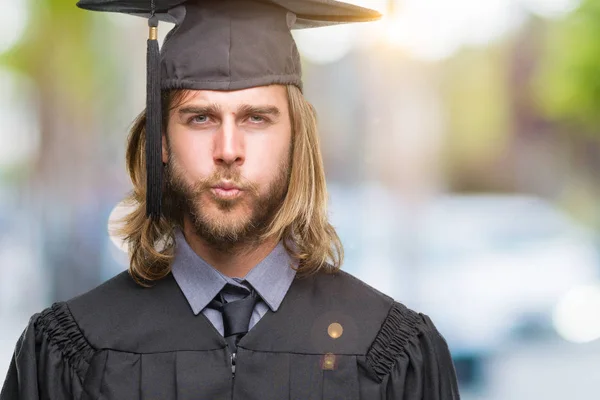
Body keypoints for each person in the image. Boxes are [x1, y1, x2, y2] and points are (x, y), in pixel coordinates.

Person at [1, 0, 461, 399]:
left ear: (296, 138)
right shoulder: (71, 352)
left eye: (256, 118)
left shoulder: (392, 353)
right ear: (161, 140)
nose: (227, 149)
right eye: (200, 118)